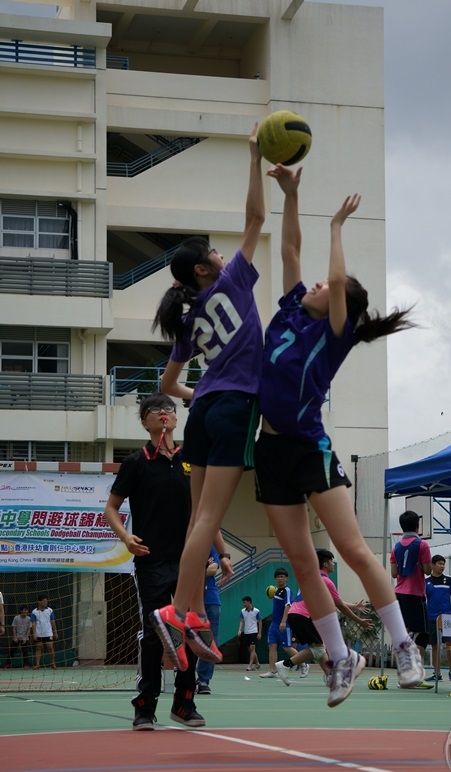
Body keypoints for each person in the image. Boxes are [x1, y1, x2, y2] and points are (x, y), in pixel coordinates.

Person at [254, 165, 424, 707]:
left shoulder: (334, 335)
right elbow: (288, 251)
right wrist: (293, 193)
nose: (318, 283)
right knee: (304, 563)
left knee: (351, 549)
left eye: (329, 285)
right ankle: (340, 658)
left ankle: (403, 644)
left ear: (339, 305)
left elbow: (333, 276)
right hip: (271, 448)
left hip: (310, 448)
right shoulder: (288, 312)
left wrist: (336, 228)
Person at [150, 124, 265, 669]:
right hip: (236, 406)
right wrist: (255, 159)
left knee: (201, 516)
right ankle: (177, 613)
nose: (224, 252)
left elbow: (169, 386)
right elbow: (257, 221)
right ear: (203, 269)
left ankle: (191, 615)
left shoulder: (187, 318)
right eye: (214, 252)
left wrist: (203, 388)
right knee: (205, 522)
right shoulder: (233, 283)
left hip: (204, 412)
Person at [105, 392, 231, 729]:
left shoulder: (192, 458)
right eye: (155, 410)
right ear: (145, 421)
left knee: (191, 632)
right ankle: (145, 706)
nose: (163, 414)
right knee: (153, 633)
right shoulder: (136, 462)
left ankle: (184, 704)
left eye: (169, 409)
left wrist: (224, 552)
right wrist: (126, 537)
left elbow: (207, 512)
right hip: (151, 562)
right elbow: (111, 509)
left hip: (191, 561)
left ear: (176, 418)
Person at [275, 549, 373, 686]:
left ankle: (330, 676)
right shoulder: (326, 581)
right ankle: (285, 664)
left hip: (296, 614)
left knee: (319, 646)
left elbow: (336, 601)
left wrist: (355, 606)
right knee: (319, 649)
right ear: (326, 564)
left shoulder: (311, 577)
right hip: (303, 616)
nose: (333, 564)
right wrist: (360, 621)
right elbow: (340, 606)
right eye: (332, 561)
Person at [390, 510, 432, 670]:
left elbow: (394, 573)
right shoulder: (422, 544)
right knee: (423, 633)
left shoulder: (396, 547)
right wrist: (420, 565)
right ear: (417, 526)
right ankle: (414, 671)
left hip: (399, 594)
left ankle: (403, 669)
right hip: (414, 595)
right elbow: (428, 570)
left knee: (404, 633)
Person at [260, 567, 299, 679]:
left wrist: (283, 621)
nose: (280, 578)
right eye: (278, 577)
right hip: (273, 624)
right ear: (275, 579)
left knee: (287, 648)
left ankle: (303, 664)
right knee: (272, 646)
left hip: (283, 625)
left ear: (286, 578)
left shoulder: (287, 591)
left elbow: (288, 605)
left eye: (282, 577)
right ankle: (272, 671)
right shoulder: (277, 591)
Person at [424, 555, 451, 682]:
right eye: (439, 563)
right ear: (432, 565)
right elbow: (423, 599)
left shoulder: (449, 580)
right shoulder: (426, 582)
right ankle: (437, 673)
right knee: (435, 646)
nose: (442, 566)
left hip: (447, 618)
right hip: (432, 618)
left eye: (443, 564)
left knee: (450, 644)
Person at [196, 547, 222, 695]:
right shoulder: (186, 545)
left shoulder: (210, 548)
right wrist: (204, 565)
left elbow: (213, 570)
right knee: (187, 639)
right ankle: (184, 679)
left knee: (209, 642)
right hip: (191, 599)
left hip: (211, 601)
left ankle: (203, 680)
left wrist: (199, 568)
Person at [31, 594, 58, 670]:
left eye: (46, 601)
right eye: (44, 602)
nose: (46, 603)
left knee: (50, 647)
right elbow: (33, 623)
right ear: (39, 602)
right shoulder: (34, 612)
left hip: (48, 632)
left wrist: (55, 632)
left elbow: (53, 622)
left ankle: (52, 663)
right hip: (39, 633)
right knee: (39, 647)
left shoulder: (50, 610)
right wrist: (34, 633)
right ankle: (37, 664)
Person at [237, 596, 262, 670]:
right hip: (246, 632)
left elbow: (260, 621)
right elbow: (242, 621)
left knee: (252, 648)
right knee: (251, 650)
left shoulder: (256, 611)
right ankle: (257, 664)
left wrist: (259, 633)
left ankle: (250, 665)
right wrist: (239, 630)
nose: (243, 604)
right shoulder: (242, 611)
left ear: (249, 602)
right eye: (243, 602)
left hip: (253, 632)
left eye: (245, 602)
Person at [4, 605, 32, 670]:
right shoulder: (16, 618)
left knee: (25, 651)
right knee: (11, 651)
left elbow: (29, 629)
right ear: (21, 611)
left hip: (24, 638)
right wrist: (15, 637)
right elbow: (14, 628)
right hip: (17, 637)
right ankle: (8, 664)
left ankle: (26, 664)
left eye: (27, 610)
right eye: (25, 610)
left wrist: (26, 637)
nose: (26, 611)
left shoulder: (28, 619)